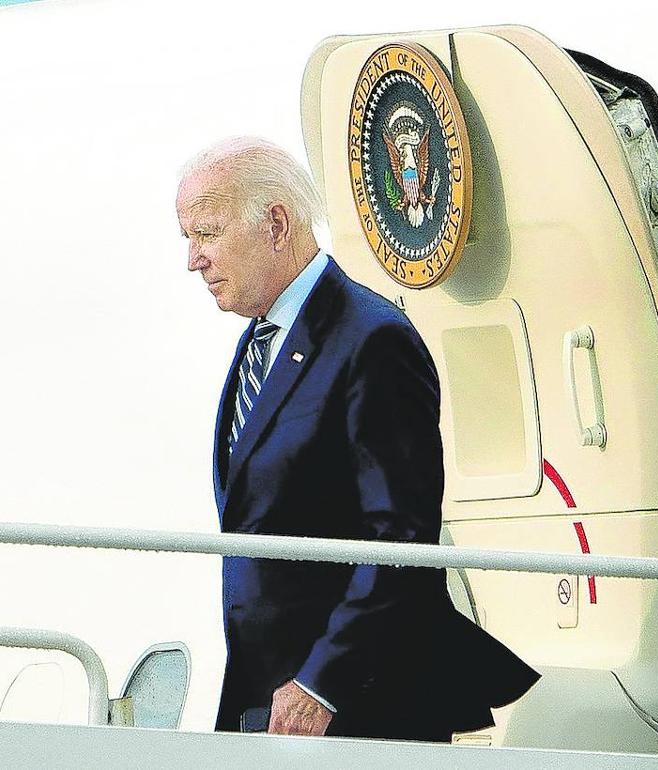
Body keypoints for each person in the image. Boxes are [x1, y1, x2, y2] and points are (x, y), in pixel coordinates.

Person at [175, 136, 539, 741]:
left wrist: (322, 683)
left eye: (207, 233)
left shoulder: (372, 339)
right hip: (272, 701)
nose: (194, 259)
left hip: (358, 706)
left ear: (276, 223)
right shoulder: (259, 343)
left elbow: (401, 539)